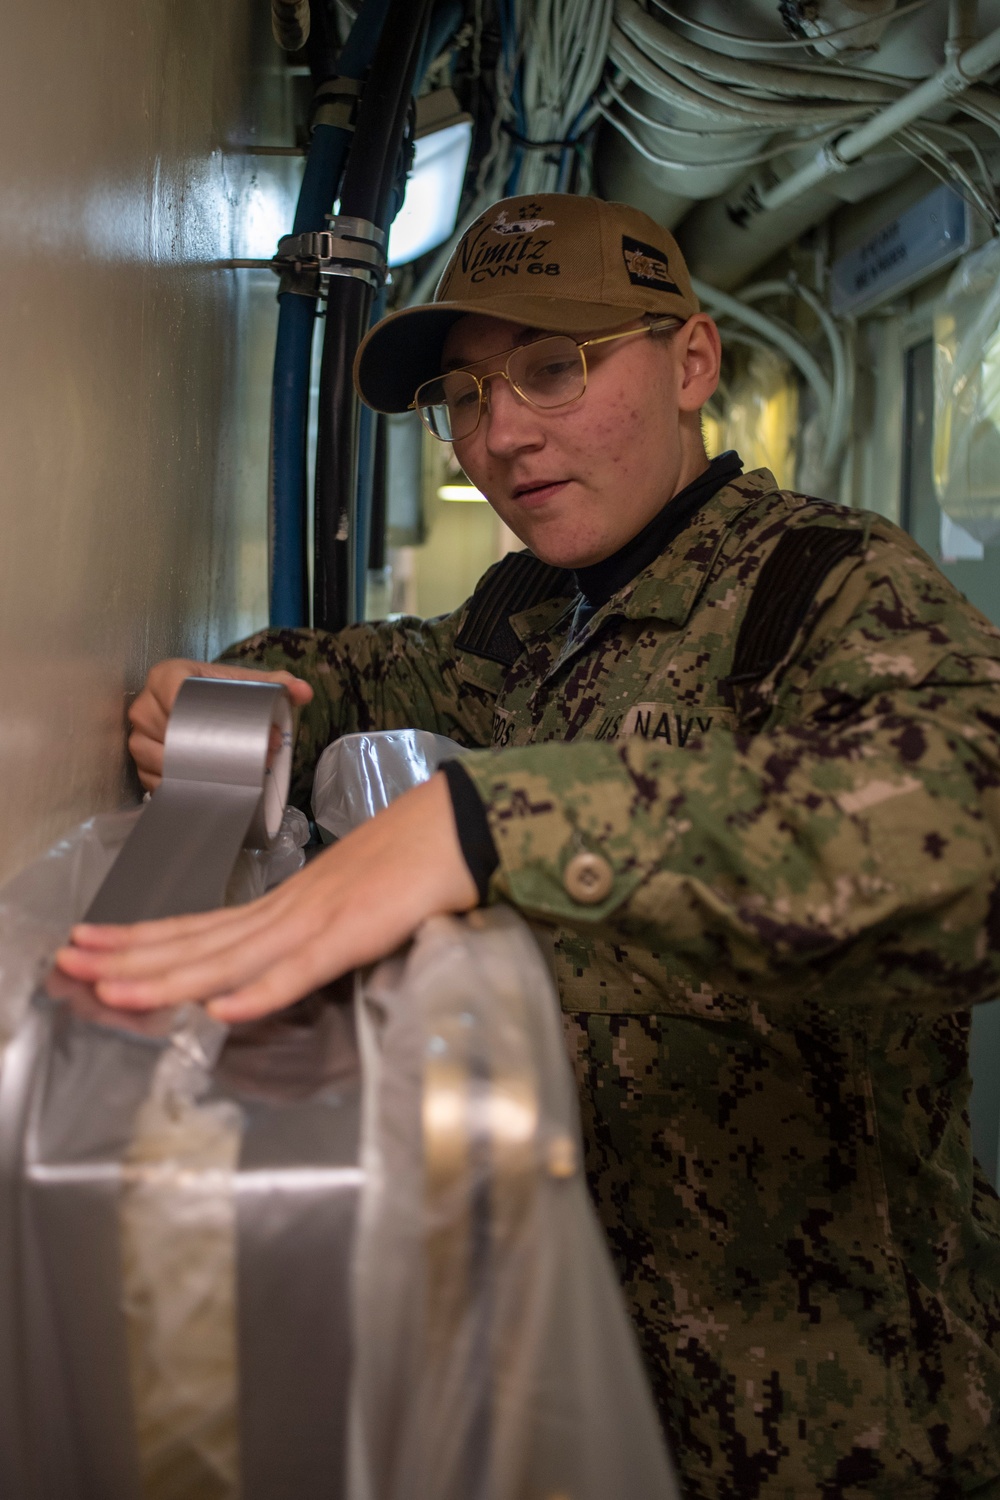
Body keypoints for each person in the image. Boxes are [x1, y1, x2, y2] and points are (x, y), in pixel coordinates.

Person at [57, 194, 1000, 1497]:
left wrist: (501, 826)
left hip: (818, 1422)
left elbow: (972, 817)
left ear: (690, 362)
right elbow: (385, 671)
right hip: (549, 1389)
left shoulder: (828, 589)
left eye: (554, 367)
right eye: (465, 392)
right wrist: (245, 702)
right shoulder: (528, 611)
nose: (500, 436)